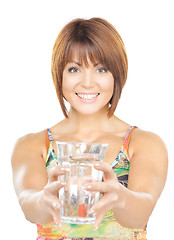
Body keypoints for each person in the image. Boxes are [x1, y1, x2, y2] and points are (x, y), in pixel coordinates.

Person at [11, 17, 168, 240]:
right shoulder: (32, 145)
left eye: (101, 69)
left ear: (117, 75)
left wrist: (119, 196)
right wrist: (42, 199)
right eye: (74, 69)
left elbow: (141, 213)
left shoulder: (143, 143)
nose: (87, 83)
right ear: (59, 75)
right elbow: (29, 206)